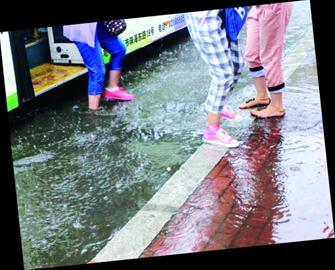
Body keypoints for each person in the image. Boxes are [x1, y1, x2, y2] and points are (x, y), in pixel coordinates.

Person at [184, 10, 244, 147]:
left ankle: (220, 105)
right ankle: (211, 130)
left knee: (237, 64)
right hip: (205, 17)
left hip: (226, 13)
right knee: (223, 75)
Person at [63, 22, 135, 112]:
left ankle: (112, 89)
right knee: (97, 71)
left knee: (119, 50)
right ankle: (93, 111)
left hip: (97, 24)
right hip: (82, 29)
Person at [239, 2, 293, 118]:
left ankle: (277, 106)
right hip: (256, 8)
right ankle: (262, 96)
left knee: (270, 56)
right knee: (252, 54)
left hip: (273, 7)